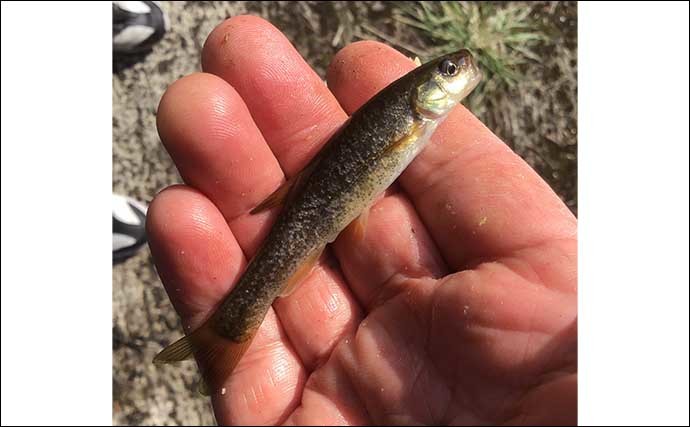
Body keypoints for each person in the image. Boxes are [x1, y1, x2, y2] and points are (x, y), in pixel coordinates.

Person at [147, 16, 578, 426]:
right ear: (420, 95)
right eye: (448, 72)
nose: (460, 70)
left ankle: (224, 334)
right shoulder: (410, 119)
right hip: (317, 212)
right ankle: (228, 330)